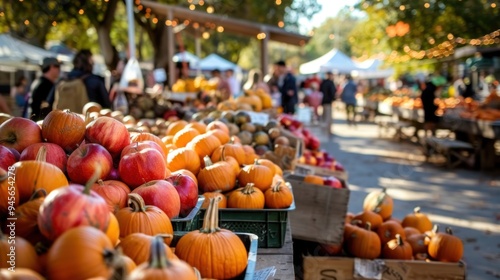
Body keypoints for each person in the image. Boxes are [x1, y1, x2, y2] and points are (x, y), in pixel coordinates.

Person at [47, 49, 111, 111]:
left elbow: (49, 102)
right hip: (87, 120)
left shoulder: (62, 80)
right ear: (90, 62)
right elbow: (106, 105)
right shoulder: (95, 80)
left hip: (61, 119)